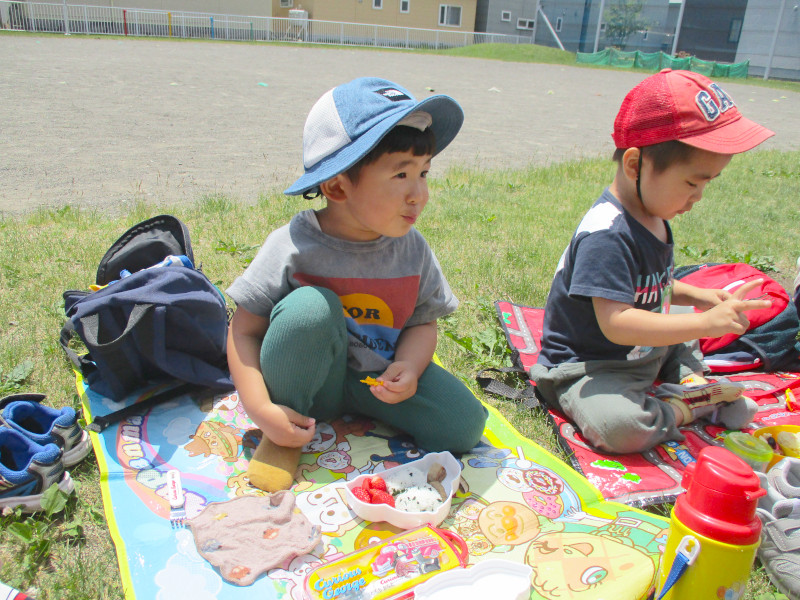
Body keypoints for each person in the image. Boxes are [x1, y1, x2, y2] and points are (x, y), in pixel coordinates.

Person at [226, 77, 488, 492]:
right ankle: (287, 431)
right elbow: (242, 331)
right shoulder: (293, 246)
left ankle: (369, 411)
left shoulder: (412, 248)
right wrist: (261, 410)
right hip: (310, 385)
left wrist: (410, 367)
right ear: (337, 186)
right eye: (401, 174)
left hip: (378, 381)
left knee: (465, 425)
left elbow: (423, 322)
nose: (418, 193)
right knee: (309, 308)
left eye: (423, 172)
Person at [529, 69, 775, 454]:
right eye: (692, 183)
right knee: (620, 427)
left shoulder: (653, 212)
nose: (698, 196)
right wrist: (704, 323)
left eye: (708, 183)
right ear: (635, 165)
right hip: (591, 367)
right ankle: (689, 404)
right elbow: (616, 322)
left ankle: (691, 382)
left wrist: (700, 298)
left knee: (681, 329)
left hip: (646, 351)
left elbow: (650, 285)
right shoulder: (607, 234)